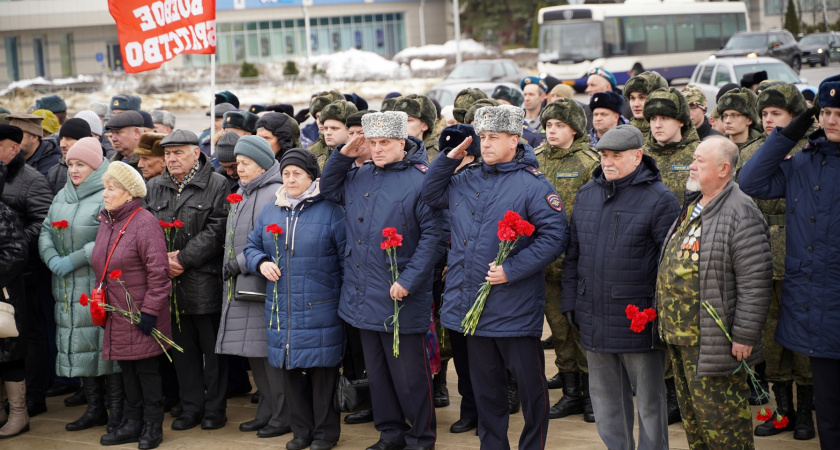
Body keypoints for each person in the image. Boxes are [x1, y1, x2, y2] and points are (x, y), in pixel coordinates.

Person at [422, 105, 568, 450]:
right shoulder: (466, 177)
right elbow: (429, 195)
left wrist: (512, 269)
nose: (485, 144)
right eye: (482, 137)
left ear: (514, 140)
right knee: (486, 388)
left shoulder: (532, 185)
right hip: (470, 301)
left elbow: (555, 236)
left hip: (512, 304)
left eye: (494, 137)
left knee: (531, 388)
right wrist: (448, 157)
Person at [321, 111, 443, 450]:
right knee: (378, 374)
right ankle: (390, 433)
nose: (377, 149)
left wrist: (410, 280)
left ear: (402, 143)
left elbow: (435, 236)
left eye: (384, 143)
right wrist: (344, 153)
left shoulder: (422, 180)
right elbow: (329, 189)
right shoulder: (360, 175)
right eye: (372, 143)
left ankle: (420, 437)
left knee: (410, 377)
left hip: (400, 294)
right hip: (362, 292)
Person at [739, 74, 840, 449]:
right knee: (829, 416)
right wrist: (788, 134)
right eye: (825, 112)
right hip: (820, 309)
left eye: (838, 113)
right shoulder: (804, 162)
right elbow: (751, 182)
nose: (830, 120)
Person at [563, 125, 679, 449]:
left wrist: (660, 317)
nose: (608, 162)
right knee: (605, 403)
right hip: (594, 315)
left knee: (650, 404)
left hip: (638, 320)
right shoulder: (587, 194)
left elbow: (669, 267)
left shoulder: (660, 199)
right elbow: (573, 255)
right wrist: (572, 301)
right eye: (603, 155)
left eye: (616, 155)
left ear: (638, 156)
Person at [659, 136, 771, 449]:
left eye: (699, 161)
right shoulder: (696, 203)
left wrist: (745, 335)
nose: (691, 167)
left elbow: (755, 280)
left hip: (714, 341)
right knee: (696, 424)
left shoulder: (741, 211)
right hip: (683, 338)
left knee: (723, 426)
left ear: (723, 169)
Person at [244, 148, 345, 450]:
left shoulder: (331, 209)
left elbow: (345, 258)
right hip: (282, 307)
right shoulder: (271, 209)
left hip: (321, 306)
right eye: (286, 173)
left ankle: (325, 434)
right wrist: (260, 262)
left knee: (321, 374)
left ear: (312, 177)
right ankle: (301, 432)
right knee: (290, 372)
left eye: (297, 173)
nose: (290, 179)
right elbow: (251, 245)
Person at [38, 138, 124, 433]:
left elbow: (109, 237)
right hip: (65, 286)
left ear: (96, 165)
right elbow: (46, 230)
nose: (73, 170)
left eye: (80, 164)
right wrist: (51, 259)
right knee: (79, 344)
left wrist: (72, 260)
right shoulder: (63, 193)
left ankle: (116, 410)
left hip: (95, 283)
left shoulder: (107, 193)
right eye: (71, 164)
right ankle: (94, 408)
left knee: (103, 348)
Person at [145, 130, 228, 432]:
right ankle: (191, 407)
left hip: (203, 281)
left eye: (178, 152)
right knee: (183, 353)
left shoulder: (216, 183)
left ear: (196, 153)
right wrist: (161, 259)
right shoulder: (155, 186)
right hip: (170, 284)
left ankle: (215, 409)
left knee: (213, 354)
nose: (171, 158)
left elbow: (217, 230)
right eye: (167, 153)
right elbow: (146, 226)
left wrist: (182, 259)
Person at [215, 135, 291, 438]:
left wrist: (242, 262)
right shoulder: (245, 192)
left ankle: (283, 414)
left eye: (245, 163)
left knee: (269, 355)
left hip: (262, 285)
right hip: (244, 286)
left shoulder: (273, 193)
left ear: (261, 164)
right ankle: (267, 410)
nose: (239, 168)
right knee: (255, 353)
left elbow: (273, 240)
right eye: (238, 163)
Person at [92, 161, 171, 449]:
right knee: (126, 370)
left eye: (111, 189)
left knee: (146, 371)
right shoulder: (107, 221)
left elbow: (159, 273)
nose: (105, 194)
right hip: (117, 312)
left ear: (129, 194)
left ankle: (152, 425)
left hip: (140, 313)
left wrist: (149, 311)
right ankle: (132, 422)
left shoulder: (143, 221)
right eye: (105, 188)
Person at [534, 99, 600, 423]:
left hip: (580, 265)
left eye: (559, 125)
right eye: (548, 125)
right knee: (559, 332)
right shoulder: (535, 160)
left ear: (574, 128)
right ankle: (572, 392)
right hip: (546, 264)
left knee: (582, 330)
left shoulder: (590, 162)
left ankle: (591, 395)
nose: (552, 131)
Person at [0, 123, 54, 417]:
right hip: (5, 274)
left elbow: (43, 221)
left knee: (29, 336)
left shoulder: (31, 179)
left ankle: (34, 396)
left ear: (14, 148)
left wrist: (15, 240)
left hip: (27, 271)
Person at [0, 156, 30, 439]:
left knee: (9, 352)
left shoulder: (3, 213)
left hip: (5, 296)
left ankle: (19, 414)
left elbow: (16, 252)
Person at [49, 118, 92, 194]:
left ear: (83, 140)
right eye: (61, 139)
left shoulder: (101, 169)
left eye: (68, 139)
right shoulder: (54, 172)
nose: (62, 144)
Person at [391, 95, 440, 161]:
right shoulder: (390, 149)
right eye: (399, 120)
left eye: (408, 120)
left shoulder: (436, 155)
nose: (401, 124)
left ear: (424, 126)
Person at [623, 71, 668, 137]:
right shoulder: (624, 133)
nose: (636, 104)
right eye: (632, 98)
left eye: (642, 98)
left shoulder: (672, 131)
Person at [318, 101, 358, 167]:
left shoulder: (361, 159)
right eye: (326, 128)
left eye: (334, 128)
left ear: (350, 131)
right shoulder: (317, 163)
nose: (328, 133)